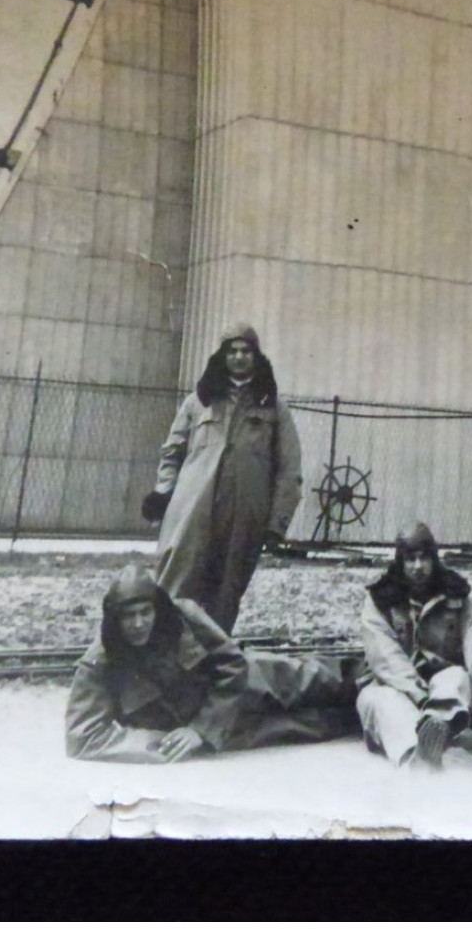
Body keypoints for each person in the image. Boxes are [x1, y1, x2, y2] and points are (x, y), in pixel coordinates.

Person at [66, 565, 359, 764]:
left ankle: (383, 679)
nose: (139, 623)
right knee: (322, 726)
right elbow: (83, 737)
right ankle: (372, 715)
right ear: (114, 620)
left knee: (333, 679)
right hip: (228, 730)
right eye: (128, 616)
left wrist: (201, 729)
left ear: (157, 609)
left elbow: (233, 663)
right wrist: (162, 743)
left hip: (250, 683)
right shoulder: (100, 662)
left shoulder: (182, 616)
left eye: (145, 612)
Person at [141, 323, 302, 633]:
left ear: (256, 357)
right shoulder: (198, 402)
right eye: (232, 351)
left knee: (225, 597)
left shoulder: (274, 409)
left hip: (243, 520)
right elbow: (172, 452)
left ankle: (212, 662)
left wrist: (276, 524)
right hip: (191, 515)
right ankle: (163, 651)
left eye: (246, 351)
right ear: (222, 356)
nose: (239, 357)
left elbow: (289, 471)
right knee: (175, 586)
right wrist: (164, 493)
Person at [356, 522, 472, 769]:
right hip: (394, 686)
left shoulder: (457, 596)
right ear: (399, 562)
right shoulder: (379, 600)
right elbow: (386, 659)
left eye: (424, 558)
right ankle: (417, 756)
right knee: (381, 701)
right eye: (410, 559)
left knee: (457, 677)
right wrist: (419, 696)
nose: (418, 567)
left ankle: (437, 729)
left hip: (442, 687)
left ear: (434, 559)